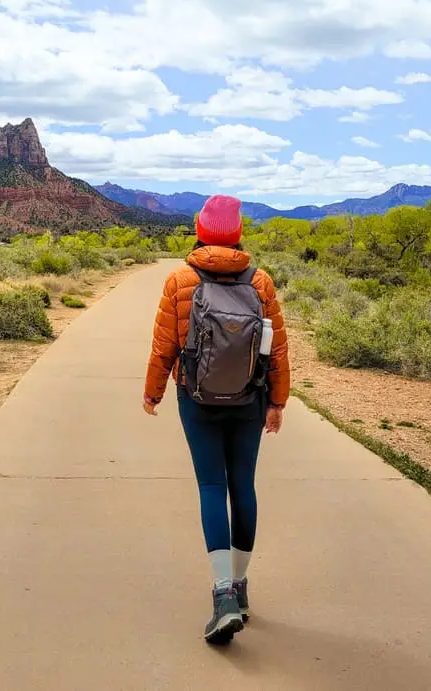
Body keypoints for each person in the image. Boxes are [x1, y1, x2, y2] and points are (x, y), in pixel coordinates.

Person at [143, 194, 290, 644]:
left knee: (211, 485)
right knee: (242, 484)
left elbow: (164, 346)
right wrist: (277, 402)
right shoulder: (260, 281)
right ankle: (242, 590)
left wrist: (152, 392)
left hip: (197, 398)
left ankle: (223, 595)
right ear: (238, 231)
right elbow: (278, 348)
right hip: (249, 398)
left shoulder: (180, 280)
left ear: (200, 229)